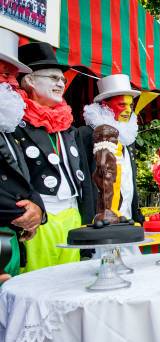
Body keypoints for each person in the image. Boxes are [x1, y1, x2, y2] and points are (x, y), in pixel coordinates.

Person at [14, 42, 93, 271]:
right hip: (40, 217)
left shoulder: (68, 127)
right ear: (29, 80)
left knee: (70, 281)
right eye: (52, 77)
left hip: (72, 214)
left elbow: (84, 178)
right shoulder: (16, 123)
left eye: (63, 80)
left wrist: (87, 221)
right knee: (37, 283)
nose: (60, 83)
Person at [0, 27, 45, 279]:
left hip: (10, 241)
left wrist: (37, 209)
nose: (12, 84)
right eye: (4, 74)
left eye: (14, 77)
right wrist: (22, 213)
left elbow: (25, 178)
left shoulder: (9, 127)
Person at [79, 74, 143, 225]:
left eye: (130, 106)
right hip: (99, 222)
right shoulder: (86, 134)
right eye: (122, 105)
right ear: (105, 105)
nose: (128, 111)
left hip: (126, 220)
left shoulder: (127, 138)